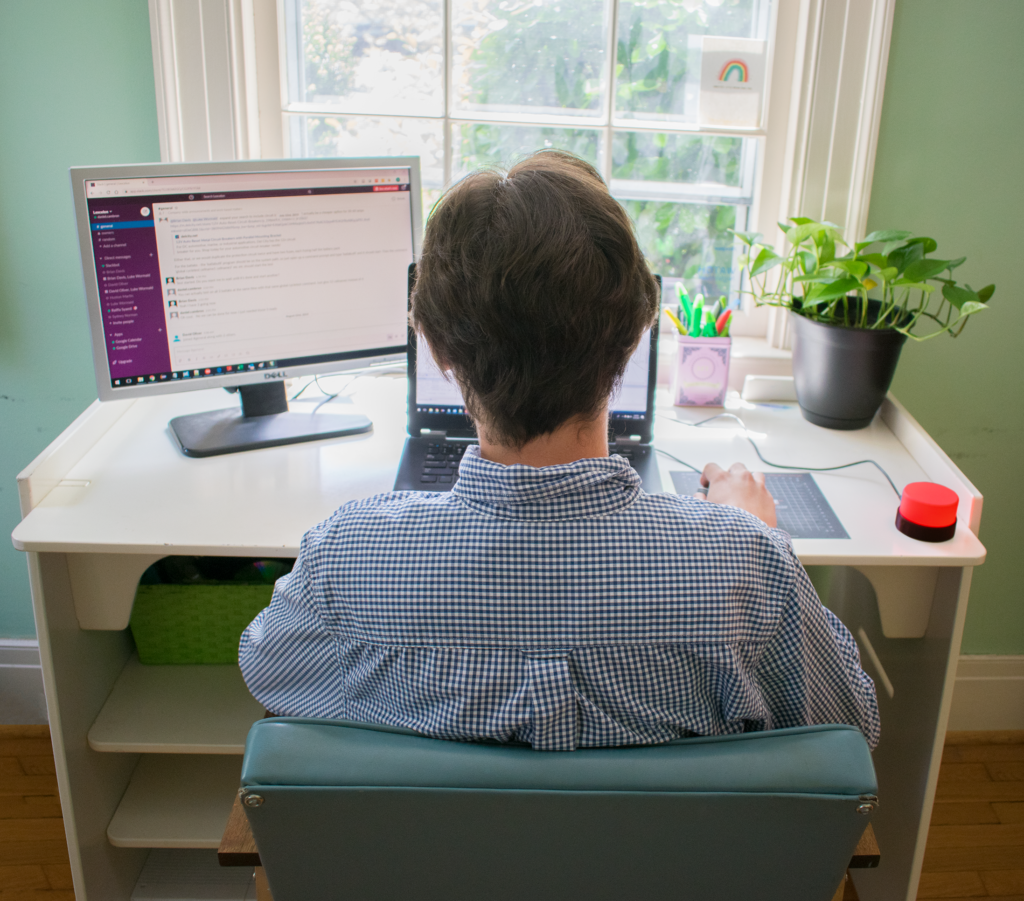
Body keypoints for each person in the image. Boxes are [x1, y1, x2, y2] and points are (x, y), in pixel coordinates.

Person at [239, 151, 879, 751]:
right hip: (665, 873)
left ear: (434, 348)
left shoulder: (349, 555)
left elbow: (274, 678)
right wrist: (749, 535)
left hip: (433, 871)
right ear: (635, 336)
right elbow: (847, 729)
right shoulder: (744, 564)